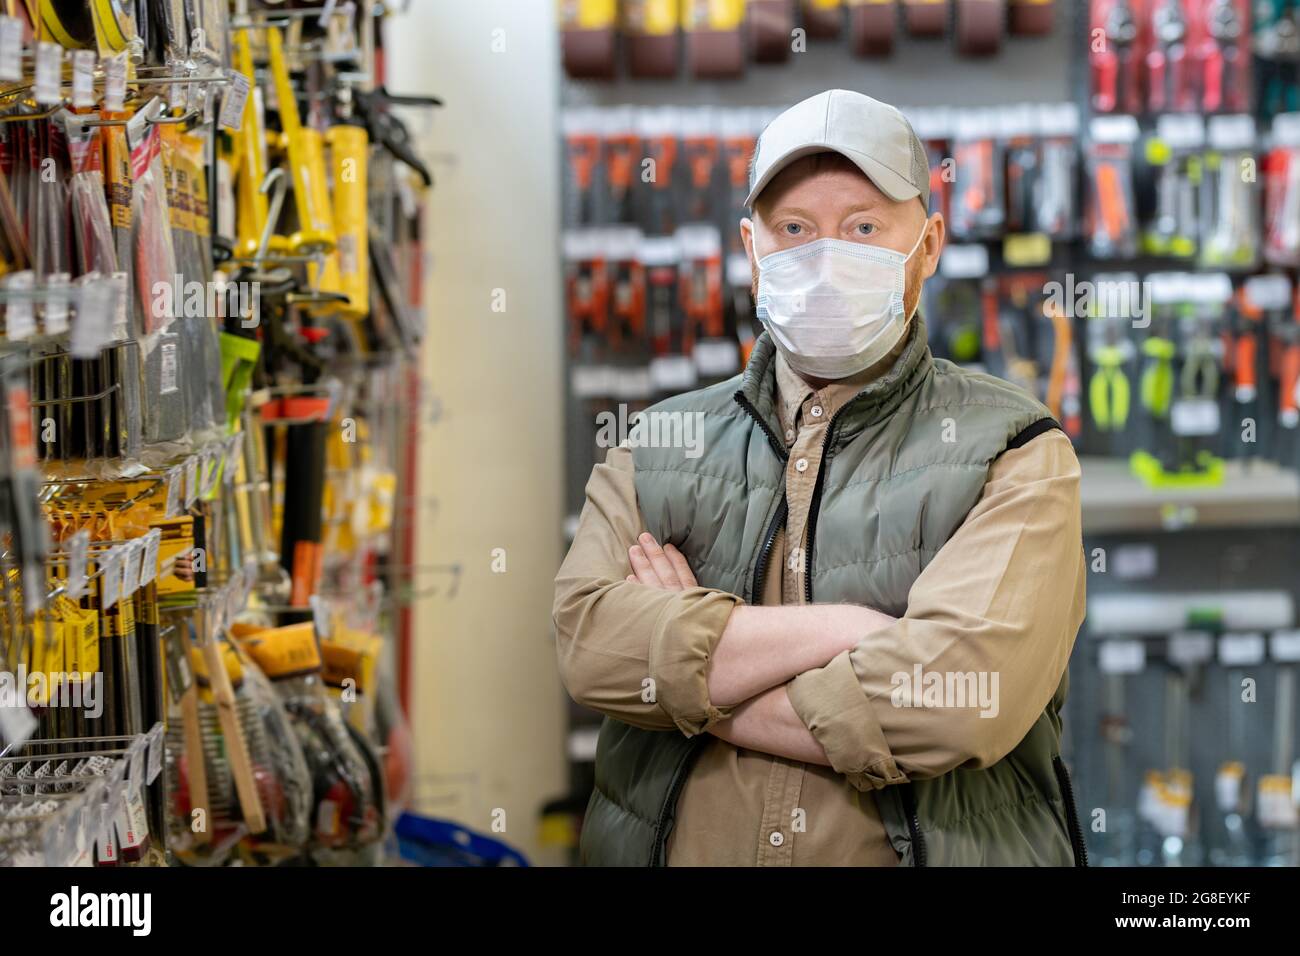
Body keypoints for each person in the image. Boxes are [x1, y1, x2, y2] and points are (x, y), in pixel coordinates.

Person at [553, 89, 1088, 866]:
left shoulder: (1015, 450)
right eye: (795, 230)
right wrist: (847, 632)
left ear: (929, 244)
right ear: (751, 247)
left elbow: (959, 702)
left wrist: (693, 685)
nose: (828, 258)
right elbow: (591, 648)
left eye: (864, 228)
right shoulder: (658, 442)